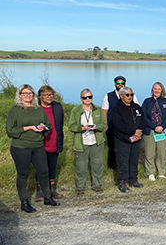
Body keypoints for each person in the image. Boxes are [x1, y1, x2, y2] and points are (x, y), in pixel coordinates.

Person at [6, 84, 60, 213]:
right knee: (23, 174)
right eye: (25, 93)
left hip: (38, 145)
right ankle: (24, 202)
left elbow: (47, 124)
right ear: (20, 95)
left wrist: (43, 128)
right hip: (21, 146)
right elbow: (10, 131)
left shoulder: (38, 109)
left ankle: (47, 197)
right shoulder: (15, 110)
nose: (28, 95)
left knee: (44, 172)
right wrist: (28, 127)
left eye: (30, 93)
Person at [69, 89, 107, 196]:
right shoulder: (75, 110)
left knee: (97, 165)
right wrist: (82, 128)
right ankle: (80, 187)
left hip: (96, 141)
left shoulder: (98, 109)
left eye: (90, 97)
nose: (87, 99)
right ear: (81, 99)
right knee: (81, 166)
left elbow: (104, 125)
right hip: (81, 142)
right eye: (85, 97)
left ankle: (97, 185)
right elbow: (71, 126)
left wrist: (96, 127)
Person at [112, 87, 145, 193]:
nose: (130, 97)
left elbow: (142, 120)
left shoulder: (137, 107)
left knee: (134, 160)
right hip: (123, 139)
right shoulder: (117, 109)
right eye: (127, 95)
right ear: (121, 96)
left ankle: (133, 180)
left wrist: (140, 131)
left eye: (131, 94)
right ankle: (122, 181)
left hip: (137, 139)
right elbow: (119, 125)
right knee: (123, 161)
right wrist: (133, 132)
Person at [35, 85, 65, 202]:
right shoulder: (35, 107)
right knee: (40, 168)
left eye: (51, 94)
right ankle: (40, 191)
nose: (49, 97)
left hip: (54, 141)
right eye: (46, 95)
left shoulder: (58, 107)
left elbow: (60, 124)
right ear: (40, 96)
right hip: (39, 142)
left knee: (52, 167)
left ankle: (51, 189)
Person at [102, 75, 138, 169]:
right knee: (112, 147)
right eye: (118, 83)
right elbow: (105, 112)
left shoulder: (131, 95)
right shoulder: (108, 96)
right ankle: (111, 166)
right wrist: (105, 125)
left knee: (125, 147)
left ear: (125, 84)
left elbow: (137, 110)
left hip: (127, 128)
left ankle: (125, 166)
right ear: (115, 84)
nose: (120, 85)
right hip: (112, 126)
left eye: (122, 83)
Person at [142, 82, 166, 181]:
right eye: (155, 89)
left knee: (161, 152)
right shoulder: (147, 101)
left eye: (159, 89)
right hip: (150, 130)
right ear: (152, 90)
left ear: (162, 90)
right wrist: (154, 126)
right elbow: (144, 117)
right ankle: (150, 172)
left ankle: (161, 172)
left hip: (163, 131)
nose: (157, 91)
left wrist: (161, 127)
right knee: (149, 153)